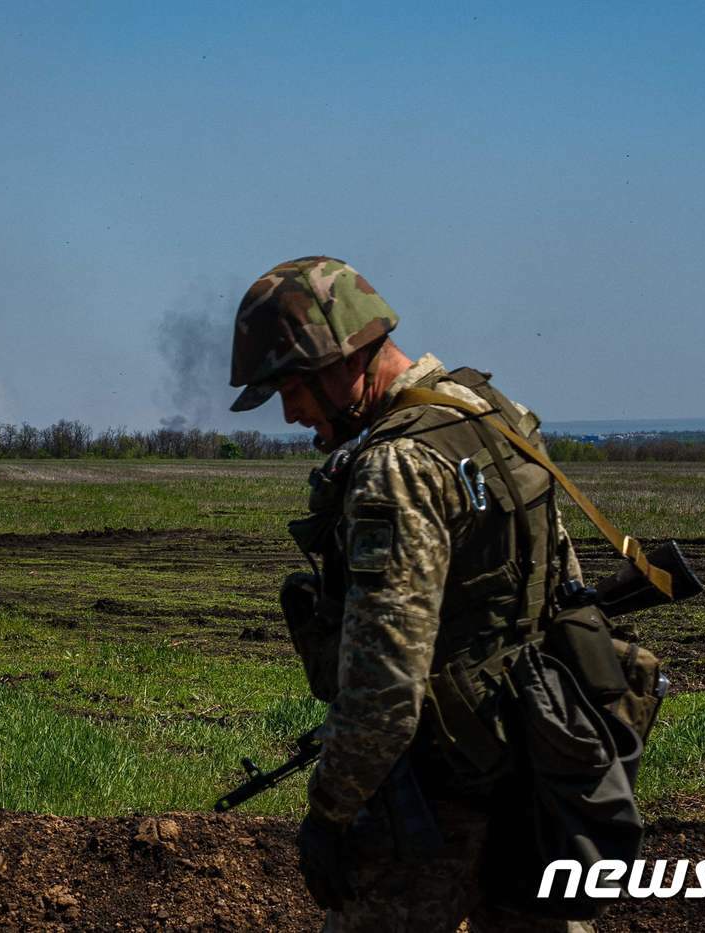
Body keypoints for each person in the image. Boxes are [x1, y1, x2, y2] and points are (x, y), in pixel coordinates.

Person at [228, 256, 594, 932]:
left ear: (346, 357)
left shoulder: (396, 465)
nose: (290, 412)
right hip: (540, 759)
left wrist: (331, 810)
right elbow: (559, 580)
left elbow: (385, 685)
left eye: (292, 386)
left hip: (443, 785)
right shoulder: (490, 411)